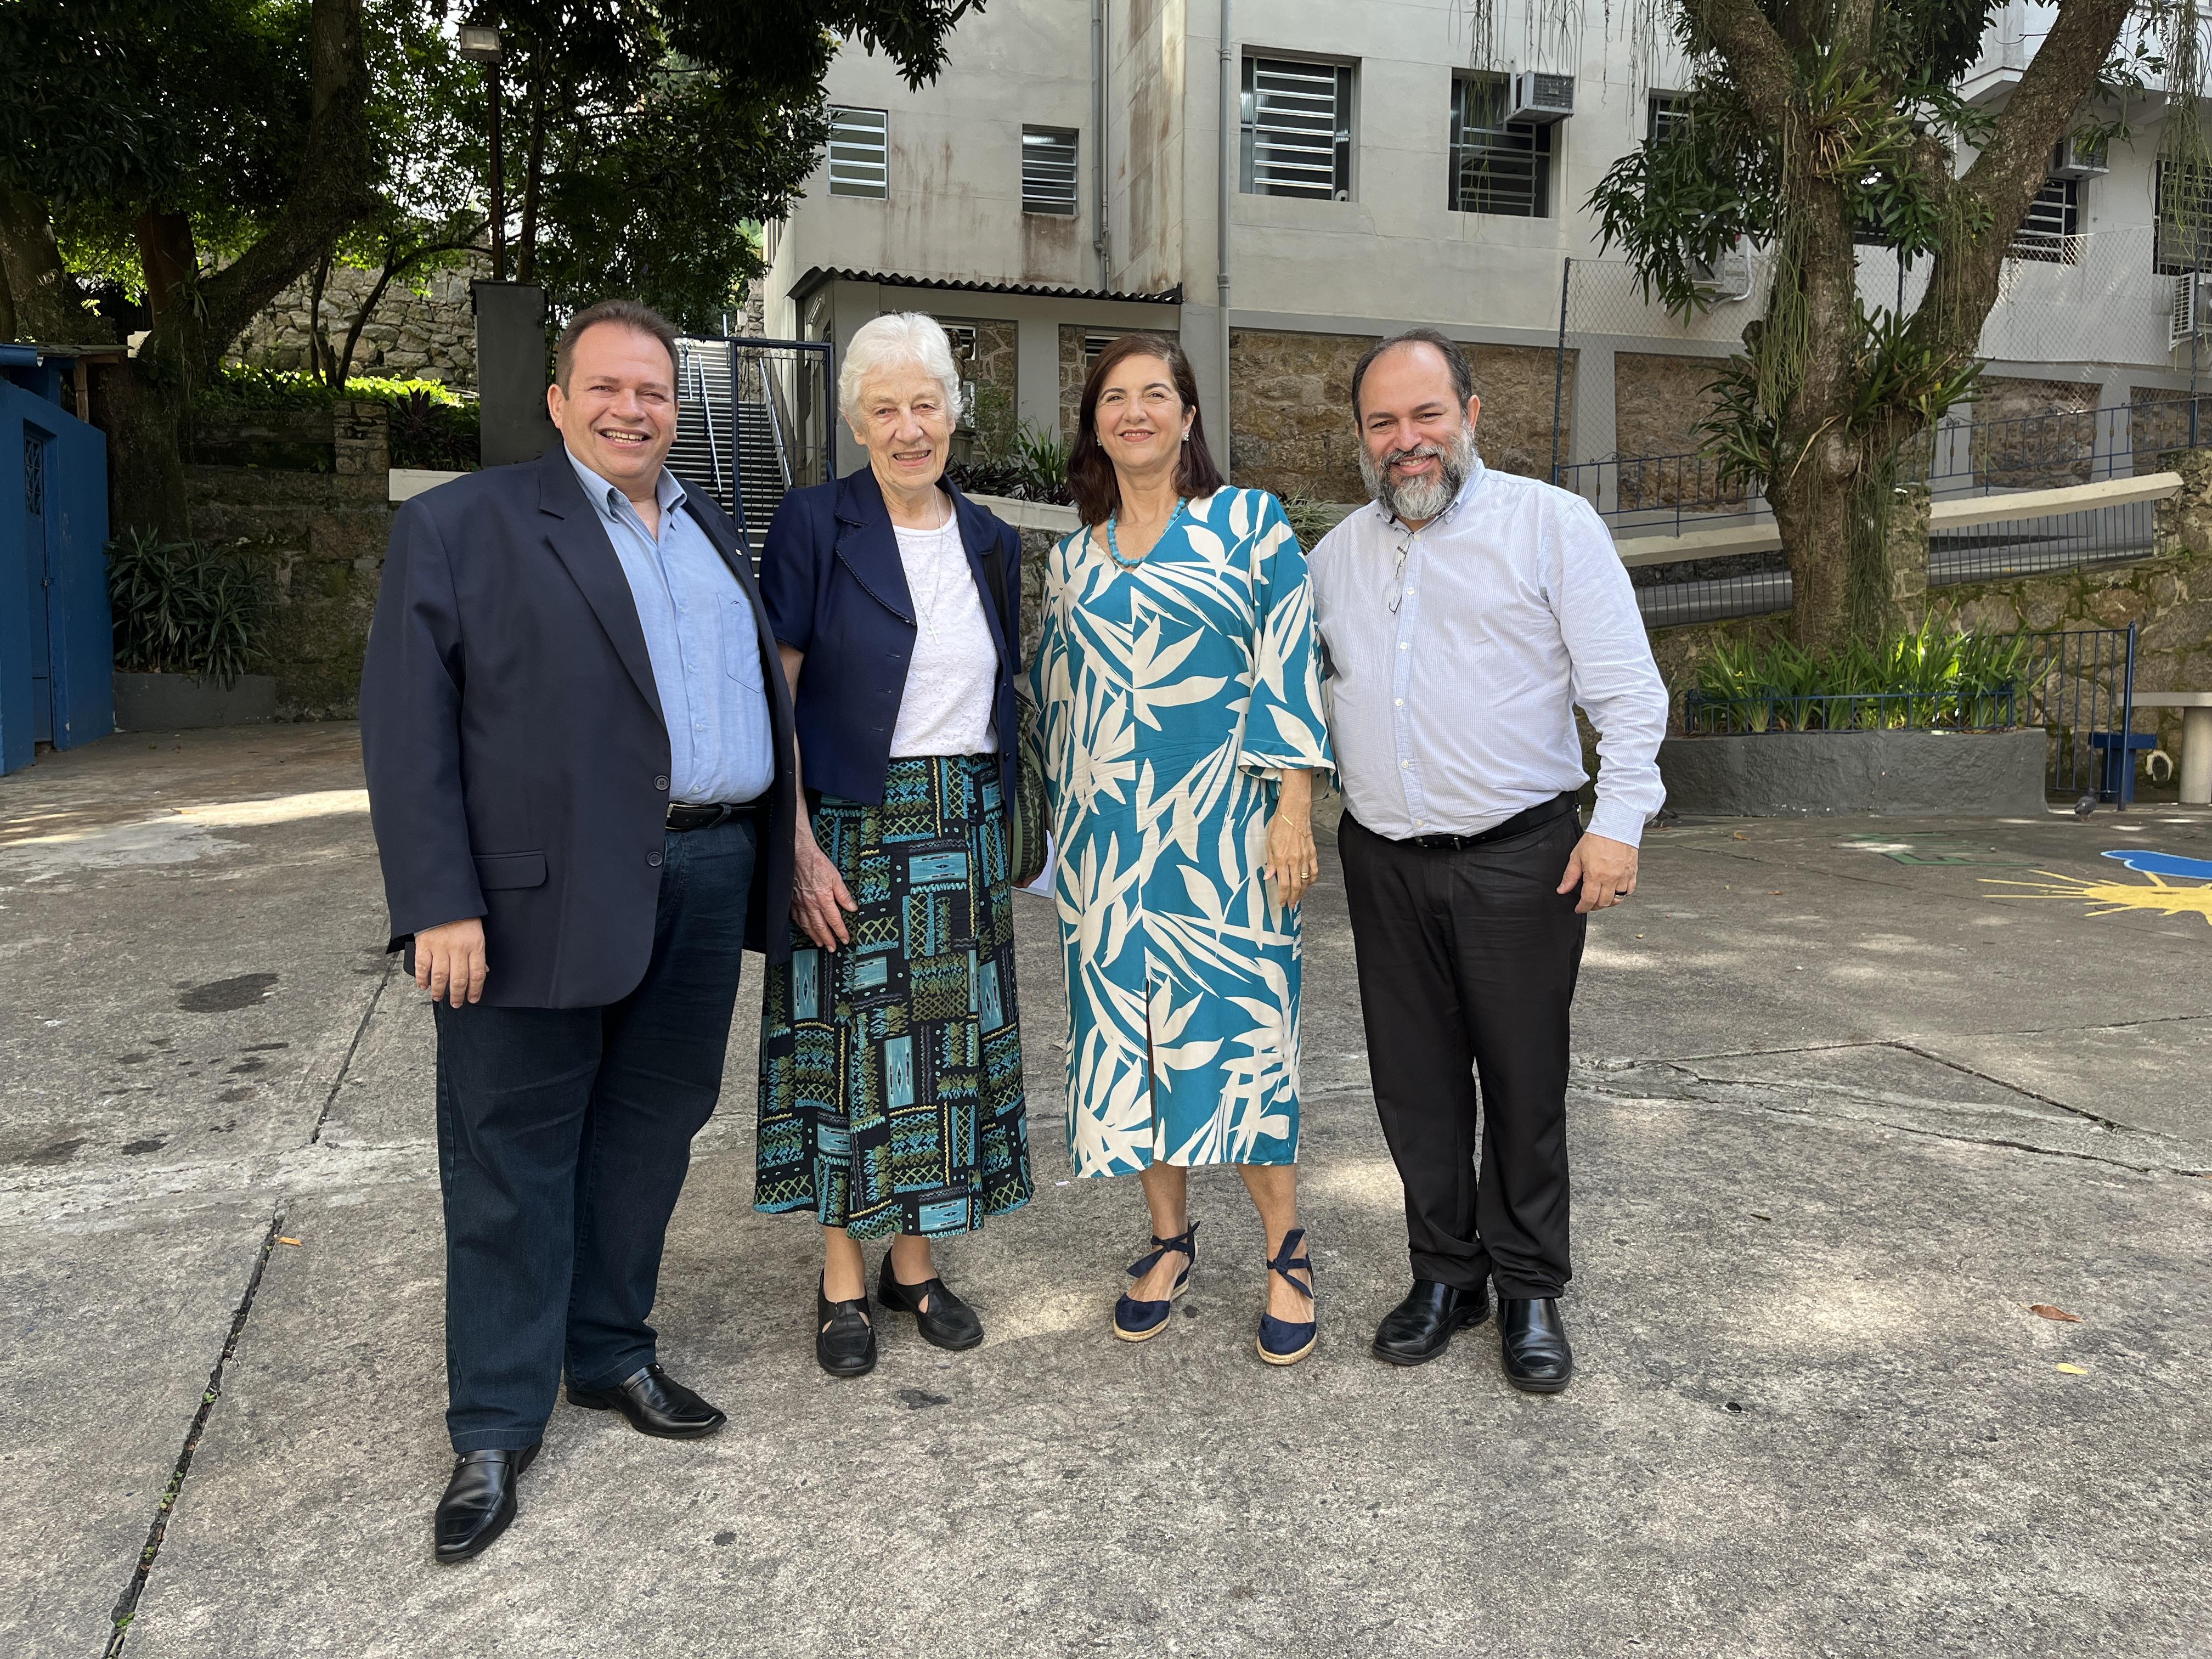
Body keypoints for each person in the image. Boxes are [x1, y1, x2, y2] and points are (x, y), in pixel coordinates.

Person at [360, 298, 797, 1562]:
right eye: (605, 388)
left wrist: (787, 841)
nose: (632, 410)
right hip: (529, 901)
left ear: (679, 406)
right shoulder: (460, 527)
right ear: (558, 402)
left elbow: (750, 700)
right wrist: (437, 898)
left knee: (655, 1131)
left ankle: (610, 1352)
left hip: (706, 873)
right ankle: (494, 1423)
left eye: (654, 392)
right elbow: (407, 729)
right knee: (510, 1155)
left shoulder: (711, 522)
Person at [1307, 328, 1668, 1393]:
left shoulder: (1551, 527)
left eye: (1426, 415)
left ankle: (1527, 1287)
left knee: (1522, 1082)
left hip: (1523, 859)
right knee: (1415, 1088)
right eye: (1383, 423)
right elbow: (1299, 702)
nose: (1406, 441)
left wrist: (1621, 821)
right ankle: (1445, 1274)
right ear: (1363, 439)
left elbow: (1629, 692)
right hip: (1383, 860)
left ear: (1471, 414)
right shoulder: (1335, 556)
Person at [1029, 332, 1335, 1365]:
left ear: (1189, 416)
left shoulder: (1248, 524)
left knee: (1246, 1042)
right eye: (1114, 398)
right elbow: (1051, 703)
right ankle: (1170, 1240)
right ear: (1096, 424)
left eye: (1155, 394)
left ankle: (1285, 1251)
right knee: (1132, 1049)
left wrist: (1295, 808)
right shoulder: (1073, 558)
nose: (1135, 412)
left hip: (1229, 837)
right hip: (1109, 844)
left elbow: (1292, 662)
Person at [754, 312, 1032, 1380]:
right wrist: (797, 845)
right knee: (840, 1055)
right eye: (887, 409)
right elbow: (774, 693)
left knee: (940, 1057)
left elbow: (999, 692)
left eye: (926, 404)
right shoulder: (815, 524)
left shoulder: (993, 541)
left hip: (959, 830)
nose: (909, 428)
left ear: (954, 412)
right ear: (859, 422)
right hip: (853, 826)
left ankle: (913, 1265)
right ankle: (839, 1275)